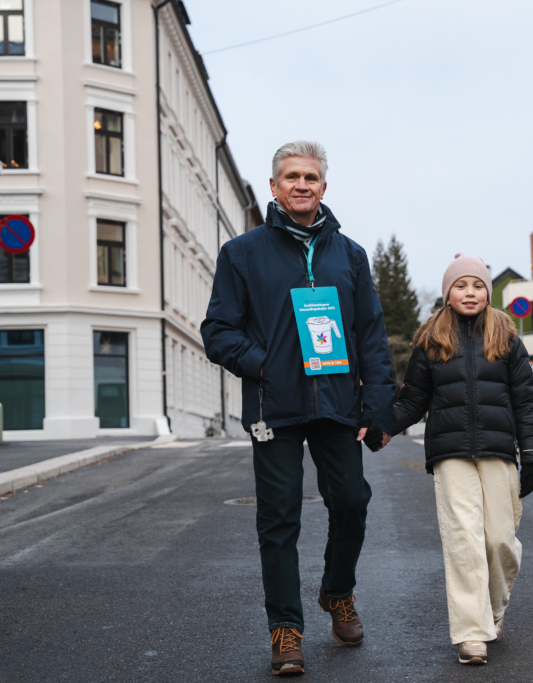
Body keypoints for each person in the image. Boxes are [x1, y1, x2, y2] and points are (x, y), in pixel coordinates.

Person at [201, 141, 395, 676]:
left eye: (311, 176)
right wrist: (265, 364)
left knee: (352, 501)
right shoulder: (242, 253)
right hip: (275, 407)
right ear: (274, 187)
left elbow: (371, 337)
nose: (302, 184)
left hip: (337, 404)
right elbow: (217, 331)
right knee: (279, 519)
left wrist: (377, 408)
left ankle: (338, 592)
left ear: (324, 188)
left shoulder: (349, 255)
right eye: (291, 176)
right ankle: (285, 628)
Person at [381, 253, 533, 665]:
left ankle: (494, 608)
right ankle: (472, 633)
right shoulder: (431, 340)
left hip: (499, 450)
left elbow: (526, 400)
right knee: (463, 541)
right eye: (460, 286)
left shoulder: (506, 337)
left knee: (498, 541)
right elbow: (414, 399)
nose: (469, 293)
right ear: (447, 293)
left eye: (477, 286)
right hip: (450, 453)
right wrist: (384, 428)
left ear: (487, 292)